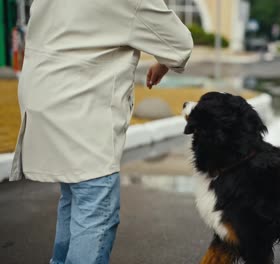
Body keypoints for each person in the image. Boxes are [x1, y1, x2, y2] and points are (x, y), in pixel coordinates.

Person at [9, 0, 193, 263]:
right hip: (84, 111)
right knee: (96, 212)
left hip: (42, 100)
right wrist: (163, 62)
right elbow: (179, 43)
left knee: (74, 200)